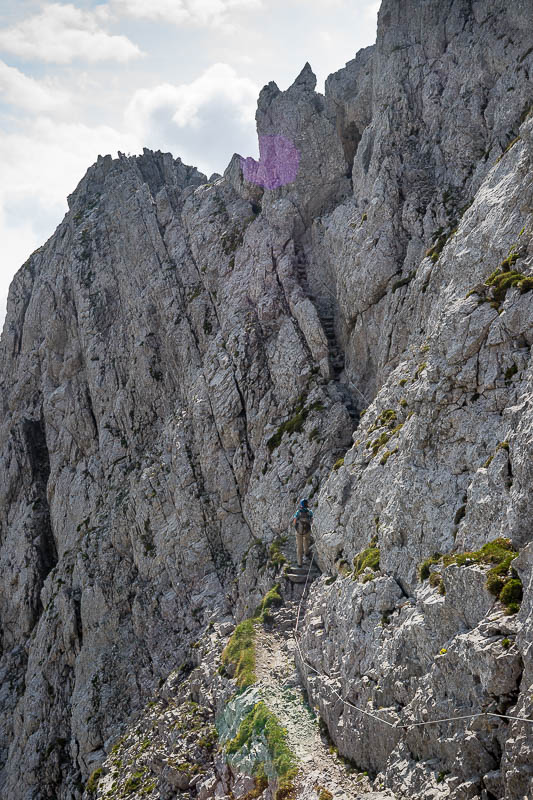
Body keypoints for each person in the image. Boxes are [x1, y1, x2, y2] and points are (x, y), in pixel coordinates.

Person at [293, 498, 313, 568]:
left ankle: (299, 563)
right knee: (306, 541)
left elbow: (295, 521)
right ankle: (306, 553)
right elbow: (312, 520)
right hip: (307, 530)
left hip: (299, 531)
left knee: (299, 547)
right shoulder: (309, 512)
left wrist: (296, 527)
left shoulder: (298, 512)